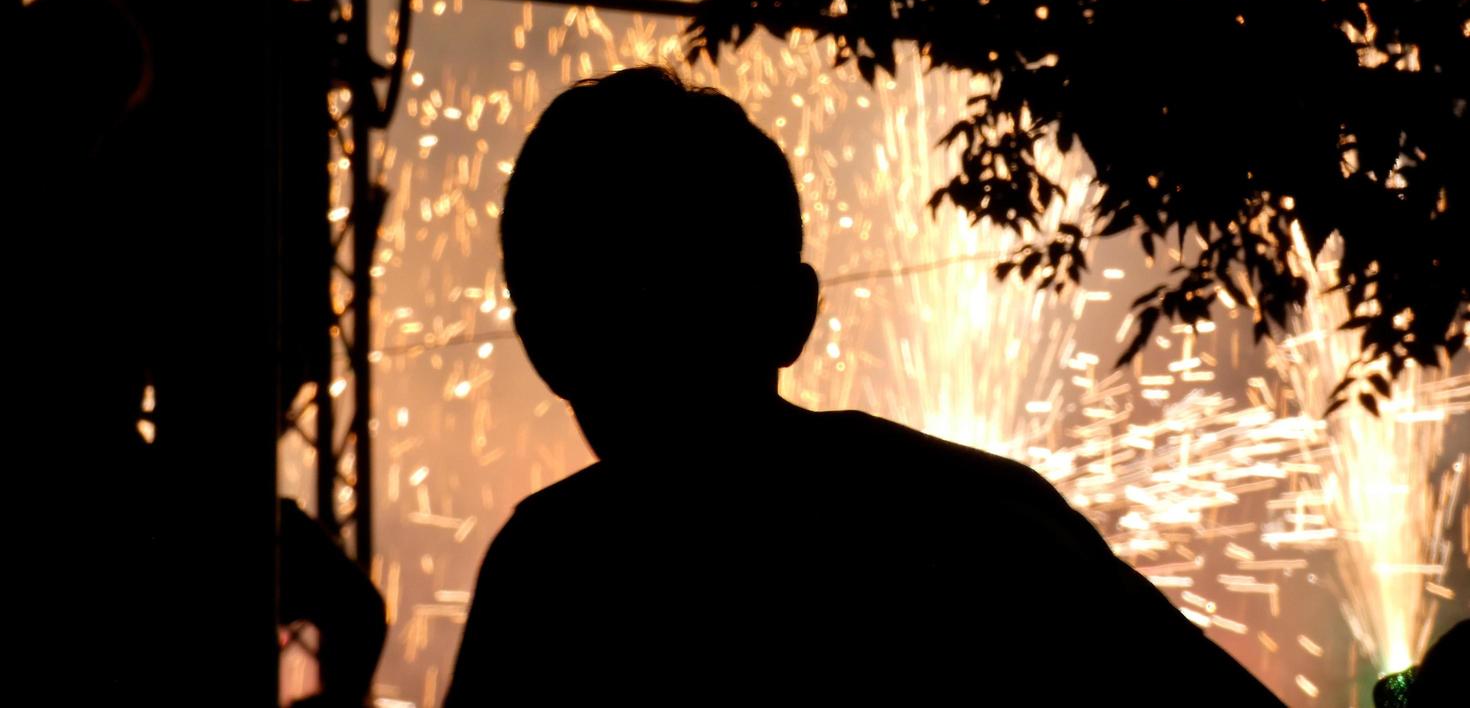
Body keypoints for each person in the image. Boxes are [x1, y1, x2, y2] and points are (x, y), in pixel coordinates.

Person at [444, 66, 1282, 704]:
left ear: (544, 345)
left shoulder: (549, 580)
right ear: (792, 314)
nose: (656, 331)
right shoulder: (982, 525)